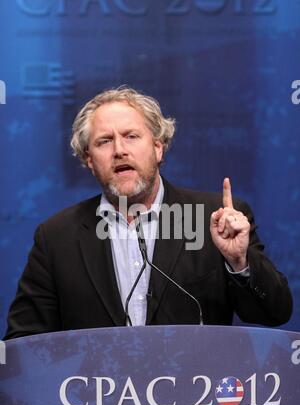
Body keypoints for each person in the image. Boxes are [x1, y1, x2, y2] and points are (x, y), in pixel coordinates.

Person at [4, 86, 292, 339]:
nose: (119, 150)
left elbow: (274, 313)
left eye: (131, 136)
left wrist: (239, 261)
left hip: (194, 394)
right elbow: (26, 341)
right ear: (89, 161)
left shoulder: (214, 218)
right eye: (104, 141)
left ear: (157, 148)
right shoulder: (56, 237)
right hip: (98, 398)